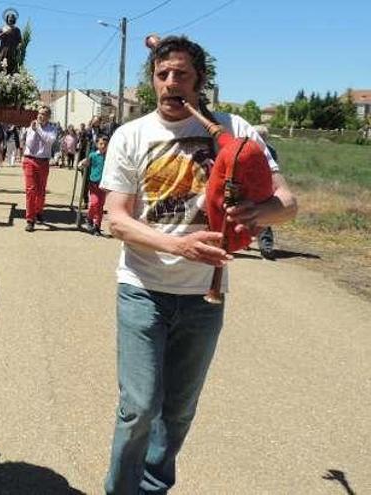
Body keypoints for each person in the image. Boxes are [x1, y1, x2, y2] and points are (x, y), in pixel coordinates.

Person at [99, 35, 297, 494]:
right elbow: (117, 220)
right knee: (139, 407)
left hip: (204, 299)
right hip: (142, 289)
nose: (171, 84)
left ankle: (153, 488)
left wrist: (258, 214)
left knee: (179, 412)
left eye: (181, 75)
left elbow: (286, 201)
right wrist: (178, 246)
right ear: (152, 80)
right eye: (162, 75)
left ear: (200, 82)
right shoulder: (131, 135)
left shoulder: (238, 131)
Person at [22, 104, 57, 232]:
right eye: (39, 113)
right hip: (30, 160)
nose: (40, 116)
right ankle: (30, 219)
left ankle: (39, 210)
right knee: (30, 190)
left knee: (41, 190)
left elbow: (49, 141)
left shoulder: (52, 129)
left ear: (48, 116)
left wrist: (39, 130)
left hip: (43, 162)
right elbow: (29, 144)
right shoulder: (31, 127)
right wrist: (32, 130)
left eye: (43, 114)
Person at [253, 125, 279, 260]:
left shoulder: (269, 151)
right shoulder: (271, 150)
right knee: (262, 216)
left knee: (260, 216)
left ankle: (265, 246)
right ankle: (265, 247)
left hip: (260, 187)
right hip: (260, 187)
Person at [78, 134, 109, 235]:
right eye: (101, 144)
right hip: (94, 183)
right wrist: (81, 164)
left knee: (100, 205)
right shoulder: (93, 155)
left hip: (104, 184)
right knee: (95, 203)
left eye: (105, 144)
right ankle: (90, 218)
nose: (103, 146)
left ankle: (97, 226)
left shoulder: (109, 156)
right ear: (97, 144)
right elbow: (85, 162)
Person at [0, 9, 22, 74]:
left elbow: (20, 40)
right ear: (7, 19)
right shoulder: (2, 28)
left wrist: (18, 47)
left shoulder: (17, 30)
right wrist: (4, 33)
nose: (11, 19)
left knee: (12, 67)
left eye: (12, 18)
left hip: (12, 51)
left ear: (14, 20)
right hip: (4, 51)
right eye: (9, 18)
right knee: (2, 66)